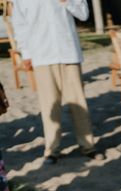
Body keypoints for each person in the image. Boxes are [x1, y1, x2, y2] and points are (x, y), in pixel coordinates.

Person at [11, 0, 103, 165]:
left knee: (78, 103)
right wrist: (25, 53)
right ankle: (52, 150)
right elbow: (20, 23)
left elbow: (83, 14)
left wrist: (67, 2)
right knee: (49, 106)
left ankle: (88, 146)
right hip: (41, 54)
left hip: (68, 52)